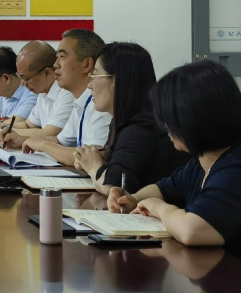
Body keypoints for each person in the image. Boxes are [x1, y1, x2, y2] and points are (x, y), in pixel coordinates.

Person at [108, 60, 241, 249]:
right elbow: (163, 189)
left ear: (195, 118)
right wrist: (133, 199)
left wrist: (159, 208)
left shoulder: (233, 168)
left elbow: (193, 231)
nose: (165, 127)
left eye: (170, 118)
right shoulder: (202, 162)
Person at [72, 42, 188, 195]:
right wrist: (94, 161)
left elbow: (115, 186)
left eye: (94, 76)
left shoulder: (141, 126)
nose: (89, 85)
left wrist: (93, 167)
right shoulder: (124, 120)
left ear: (118, 81)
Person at [17, 29, 111, 166]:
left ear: (86, 65)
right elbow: (60, 141)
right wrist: (22, 139)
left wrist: (43, 145)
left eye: (62, 57)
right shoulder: (80, 101)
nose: (55, 64)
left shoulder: (101, 105)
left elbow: (92, 158)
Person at [0, 40, 75, 147]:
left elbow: (50, 133)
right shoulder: (43, 92)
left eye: (26, 78)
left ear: (46, 73)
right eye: (20, 77)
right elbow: (28, 124)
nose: (22, 83)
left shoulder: (66, 92)